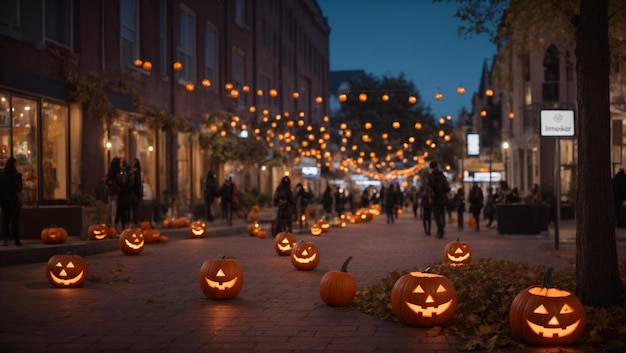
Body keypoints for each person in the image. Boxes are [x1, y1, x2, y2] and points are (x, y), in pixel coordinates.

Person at [0, 157, 23, 246]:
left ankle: (5, 239)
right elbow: (18, 188)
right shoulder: (14, 175)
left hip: (3, 201)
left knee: (5, 220)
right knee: (14, 221)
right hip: (13, 201)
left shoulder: (1, 174)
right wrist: (19, 180)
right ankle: (16, 239)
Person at [427, 161, 450, 238]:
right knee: (442, 214)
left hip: (436, 198)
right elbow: (447, 187)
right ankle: (441, 228)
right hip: (443, 198)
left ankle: (440, 231)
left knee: (437, 215)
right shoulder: (442, 175)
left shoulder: (431, 176)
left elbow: (431, 187)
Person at [105, 157, 124, 228]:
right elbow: (122, 182)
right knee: (114, 209)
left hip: (110, 192)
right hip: (116, 192)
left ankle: (109, 223)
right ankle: (113, 224)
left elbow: (106, 181)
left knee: (109, 208)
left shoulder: (110, 172)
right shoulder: (118, 173)